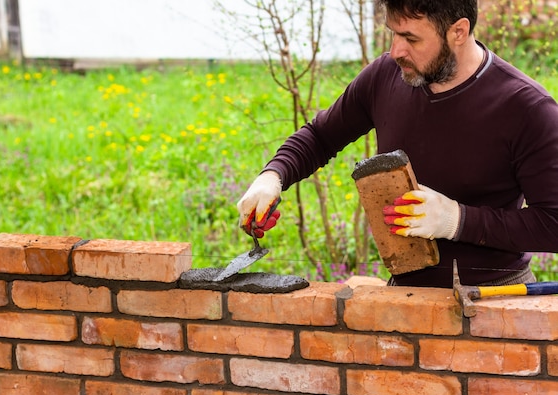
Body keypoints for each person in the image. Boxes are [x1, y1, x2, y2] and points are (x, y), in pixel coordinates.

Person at [235, 0, 558, 288]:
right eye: (393, 33)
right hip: (403, 292)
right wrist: (272, 178)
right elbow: (320, 136)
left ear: (458, 31)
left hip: (497, 296)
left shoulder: (526, 107)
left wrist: (457, 220)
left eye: (411, 38)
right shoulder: (384, 75)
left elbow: (553, 223)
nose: (395, 51)